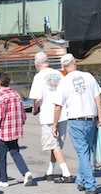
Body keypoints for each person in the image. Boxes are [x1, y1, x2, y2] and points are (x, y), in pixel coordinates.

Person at [51, 53, 101, 194]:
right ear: (75, 63)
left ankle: (91, 184)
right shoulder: (88, 76)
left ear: (63, 67)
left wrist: (54, 125)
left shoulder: (64, 82)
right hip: (90, 119)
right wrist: (100, 116)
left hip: (75, 120)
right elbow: (97, 97)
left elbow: (58, 106)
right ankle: (81, 180)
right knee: (85, 152)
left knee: (82, 153)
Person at [29, 52, 73, 183]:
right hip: (62, 113)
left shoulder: (38, 77)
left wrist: (35, 108)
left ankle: (66, 173)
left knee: (54, 145)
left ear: (37, 64)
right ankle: (50, 171)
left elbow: (38, 98)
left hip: (49, 114)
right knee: (56, 144)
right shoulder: (59, 74)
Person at [0, 72, 34, 188]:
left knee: (2, 156)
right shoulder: (16, 94)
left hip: (4, 131)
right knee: (15, 152)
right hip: (15, 129)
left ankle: (3, 179)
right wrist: (22, 122)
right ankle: (26, 172)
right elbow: (22, 112)